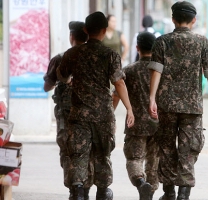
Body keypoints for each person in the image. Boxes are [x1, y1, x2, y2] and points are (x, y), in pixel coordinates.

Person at [56, 11, 135, 200]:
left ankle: (78, 192)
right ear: (104, 30)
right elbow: (119, 83)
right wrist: (129, 108)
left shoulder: (73, 53)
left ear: (85, 29)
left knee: (78, 155)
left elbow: (61, 75)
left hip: (79, 115)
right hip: (103, 115)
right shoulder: (110, 55)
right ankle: (102, 193)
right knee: (102, 154)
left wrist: (69, 81)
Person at [148, 1, 208, 200]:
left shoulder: (161, 42)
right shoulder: (202, 42)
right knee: (188, 150)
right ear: (194, 20)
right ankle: (183, 194)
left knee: (167, 147)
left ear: (173, 19)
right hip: (192, 107)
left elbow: (156, 72)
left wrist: (152, 98)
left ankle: (169, 192)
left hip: (166, 105)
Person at [43, 21, 89, 200]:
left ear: (71, 37)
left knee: (68, 151)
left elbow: (47, 86)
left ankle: (74, 189)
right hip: (88, 113)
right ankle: (84, 188)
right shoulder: (94, 57)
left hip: (65, 114)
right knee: (86, 150)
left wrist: (58, 80)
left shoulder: (60, 58)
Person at [112, 32, 159, 200]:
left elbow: (116, 95)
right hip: (157, 124)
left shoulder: (128, 71)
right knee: (154, 164)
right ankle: (149, 193)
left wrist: (111, 117)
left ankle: (141, 183)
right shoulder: (160, 71)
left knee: (134, 159)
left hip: (135, 124)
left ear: (137, 48)